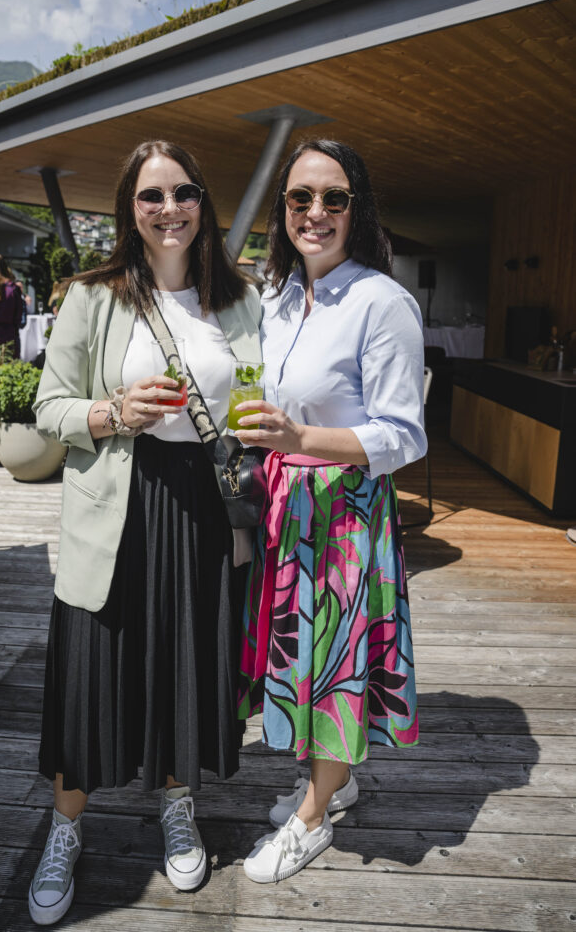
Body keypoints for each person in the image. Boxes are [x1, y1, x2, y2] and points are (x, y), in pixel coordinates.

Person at [29, 140, 261, 925]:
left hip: (200, 507)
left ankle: (176, 803)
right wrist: (112, 412)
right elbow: (49, 408)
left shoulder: (235, 299)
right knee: (92, 665)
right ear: (129, 206)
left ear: (204, 203)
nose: (170, 209)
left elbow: (257, 398)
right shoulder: (93, 296)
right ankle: (64, 828)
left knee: (182, 661)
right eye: (151, 195)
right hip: (115, 502)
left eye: (184, 192)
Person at [235, 139, 426, 884]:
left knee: (336, 665)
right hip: (289, 507)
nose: (314, 212)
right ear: (281, 211)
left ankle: (312, 819)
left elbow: (403, 433)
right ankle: (332, 781)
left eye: (332, 198)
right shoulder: (279, 296)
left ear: (356, 208)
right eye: (298, 198)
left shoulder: (382, 300)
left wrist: (302, 436)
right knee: (301, 657)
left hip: (344, 512)